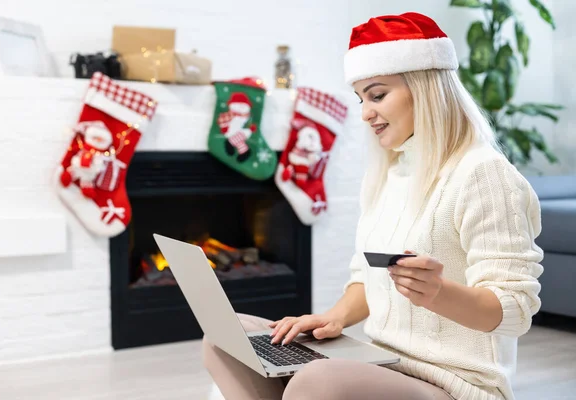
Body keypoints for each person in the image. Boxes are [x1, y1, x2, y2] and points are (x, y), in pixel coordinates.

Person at [203, 12, 544, 400]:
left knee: (317, 382)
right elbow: (366, 278)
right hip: (382, 363)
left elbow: (515, 311)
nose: (365, 113)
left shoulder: (483, 174)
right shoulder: (390, 171)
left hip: (454, 383)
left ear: (426, 88)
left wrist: (438, 293)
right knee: (228, 338)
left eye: (377, 95)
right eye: (361, 98)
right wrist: (332, 318)